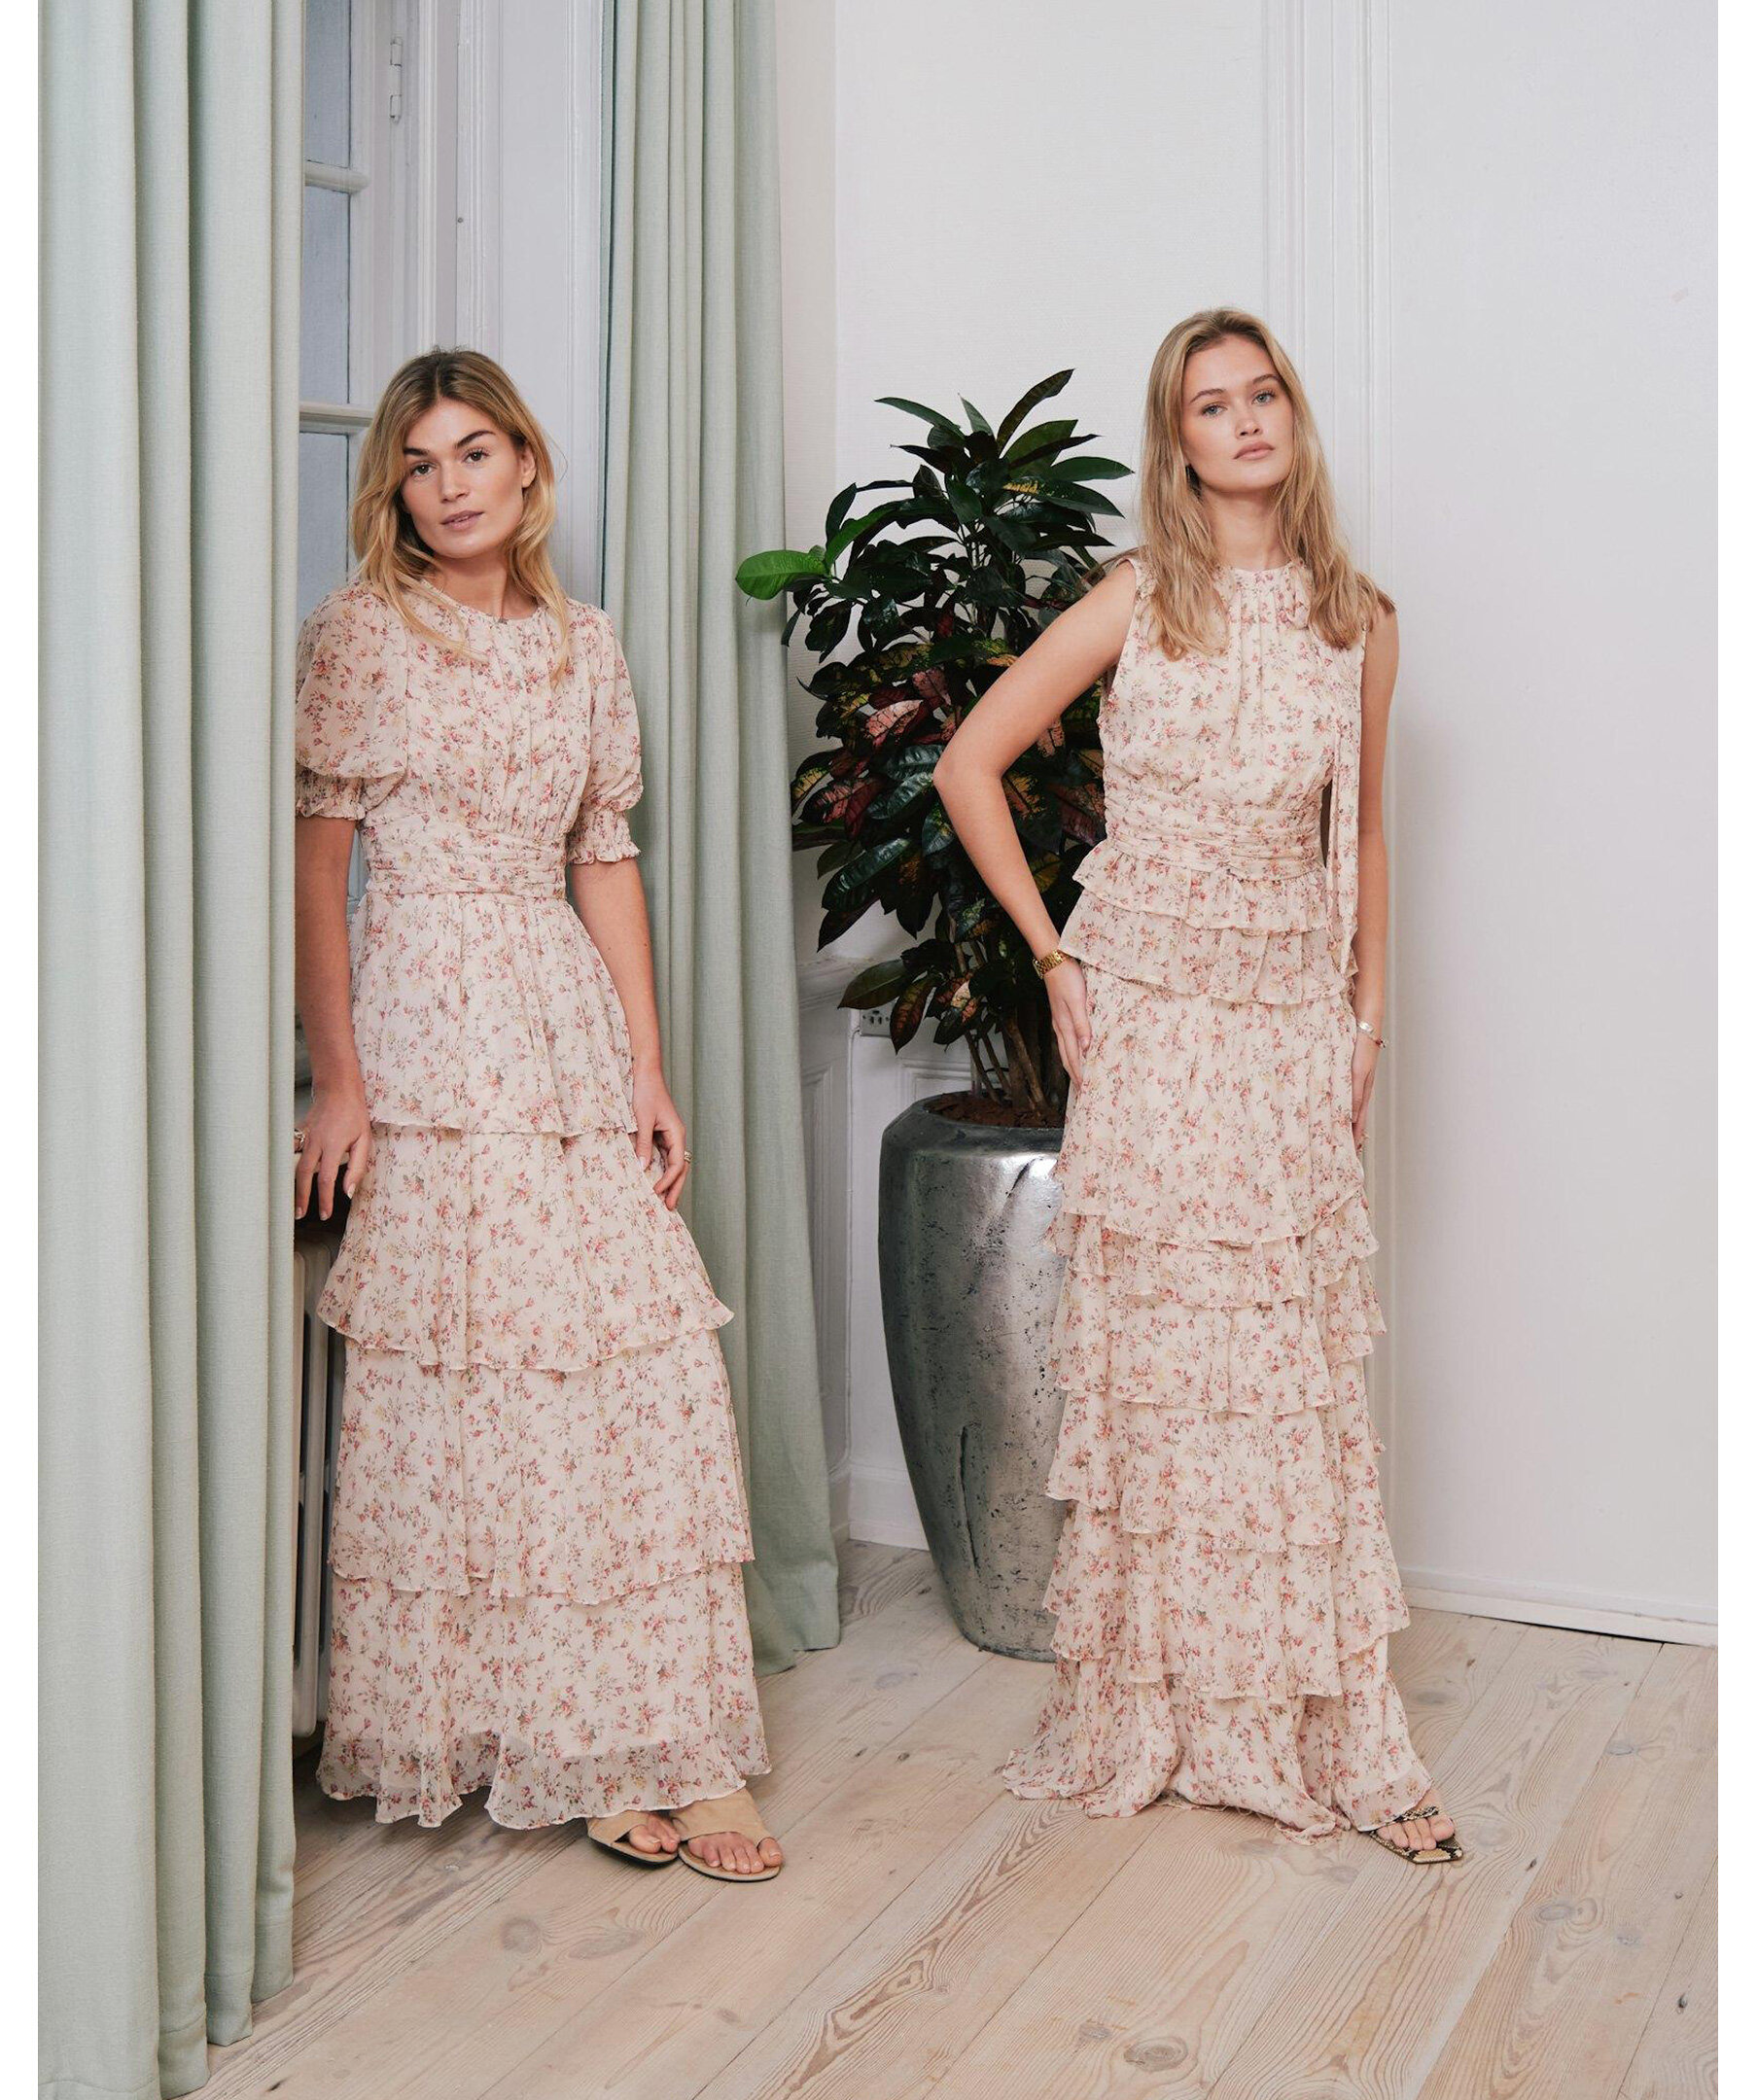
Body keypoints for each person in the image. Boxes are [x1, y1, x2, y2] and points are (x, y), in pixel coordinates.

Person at [932, 308, 1460, 1864]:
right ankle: (1163, 1706)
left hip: (1287, 1016)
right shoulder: (1135, 599)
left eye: (1263, 393)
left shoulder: (1359, 620)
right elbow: (969, 764)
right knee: (1164, 1365)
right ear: (1176, 442)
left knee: (1285, 1375)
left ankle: (1323, 1727)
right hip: (1151, 1017)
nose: (1244, 421)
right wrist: (1055, 956)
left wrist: (1368, 1019)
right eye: (1210, 405)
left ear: (1293, 414)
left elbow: (1363, 831)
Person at [293, 348, 783, 1880]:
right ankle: (550, 1737)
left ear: (524, 465)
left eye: (473, 453)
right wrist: (340, 1078)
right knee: (489, 1394)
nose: (449, 485)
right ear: (395, 492)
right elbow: (319, 867)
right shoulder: (363, 635)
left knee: (630, 1374)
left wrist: (647, 1065)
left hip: (562, 1023)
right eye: (419, 463)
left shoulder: (585, 645)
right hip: (429, 1032)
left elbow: (602, 856)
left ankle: (672, 1735)